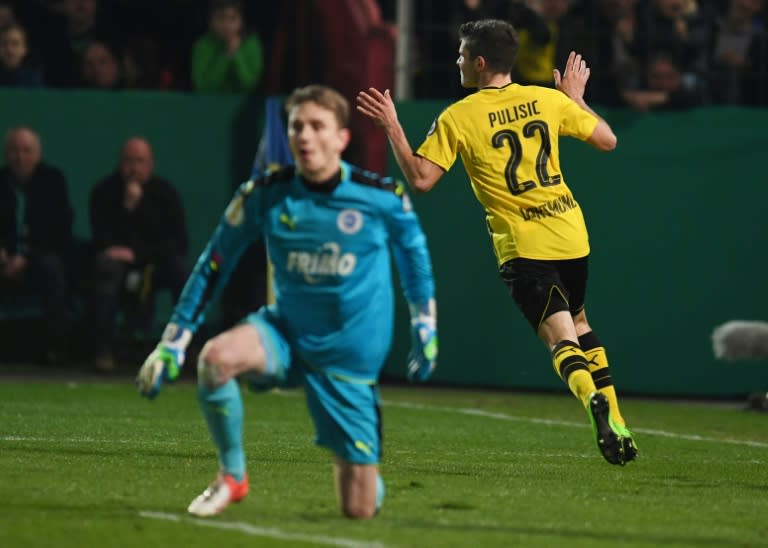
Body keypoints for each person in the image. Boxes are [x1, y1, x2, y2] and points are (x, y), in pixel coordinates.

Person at [135, 84, 438, 519]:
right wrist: (173, 340)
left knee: (358, 509)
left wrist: (424, 325)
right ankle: (232, 476)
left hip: (348, 357)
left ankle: (365, 478)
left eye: (318, 126)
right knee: (215, 360)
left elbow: (415, 258)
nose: (305, 136)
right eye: (297, 126)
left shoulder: (380, 197)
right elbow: (213, 264)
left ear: (341, 139)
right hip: (285, 332)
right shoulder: (264, 193)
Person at [357, 18, 638, 465]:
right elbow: (608, 139)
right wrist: (577, 98)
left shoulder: (459, 116)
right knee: (581, 324)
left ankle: (591, 403)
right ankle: (618, 425)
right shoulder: (546, 99)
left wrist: (392, 125)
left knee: (560, 340)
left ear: (480, 62)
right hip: (571, 234)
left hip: (524, 246)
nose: (457, 60)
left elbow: (421, 178)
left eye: (463, 54)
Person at [88, 136, 188, 371]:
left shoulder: (165, 193)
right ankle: (104, 348)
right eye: (128, 161)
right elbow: (101, 237)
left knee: (182, 273)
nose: (134, 168)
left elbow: (177, 241)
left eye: (140, 161)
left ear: (150, 164)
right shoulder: (104, 191)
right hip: (116, 265)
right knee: (107, 269)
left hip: (155, 263)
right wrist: (126, 208)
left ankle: (187, 348)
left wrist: (138, 253)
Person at [0, 126, 74, 364]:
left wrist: (27, 256)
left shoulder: (53, 181)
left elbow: (59, 230)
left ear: (37, 153)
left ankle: (57, 348)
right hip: (4, 258)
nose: (20, 157)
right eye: (14, 150)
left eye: (26, 150)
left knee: (52, 268)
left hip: (39, 258)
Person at [190, 0, 264, 94]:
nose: (226, 25)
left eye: (232, 18)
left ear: (241, 21)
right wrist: (225, 56)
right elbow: (203, 88)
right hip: (210, 103)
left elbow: (250, 84)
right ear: (210, 21)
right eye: (220, 18)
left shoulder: (251, 43)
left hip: (242, 103)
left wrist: (236, 54)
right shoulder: (202, 46)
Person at [0, 23, 44, 87]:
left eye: (15, 44)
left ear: (24, 49)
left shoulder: (34, 80)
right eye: (4, 44)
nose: (9, 50)